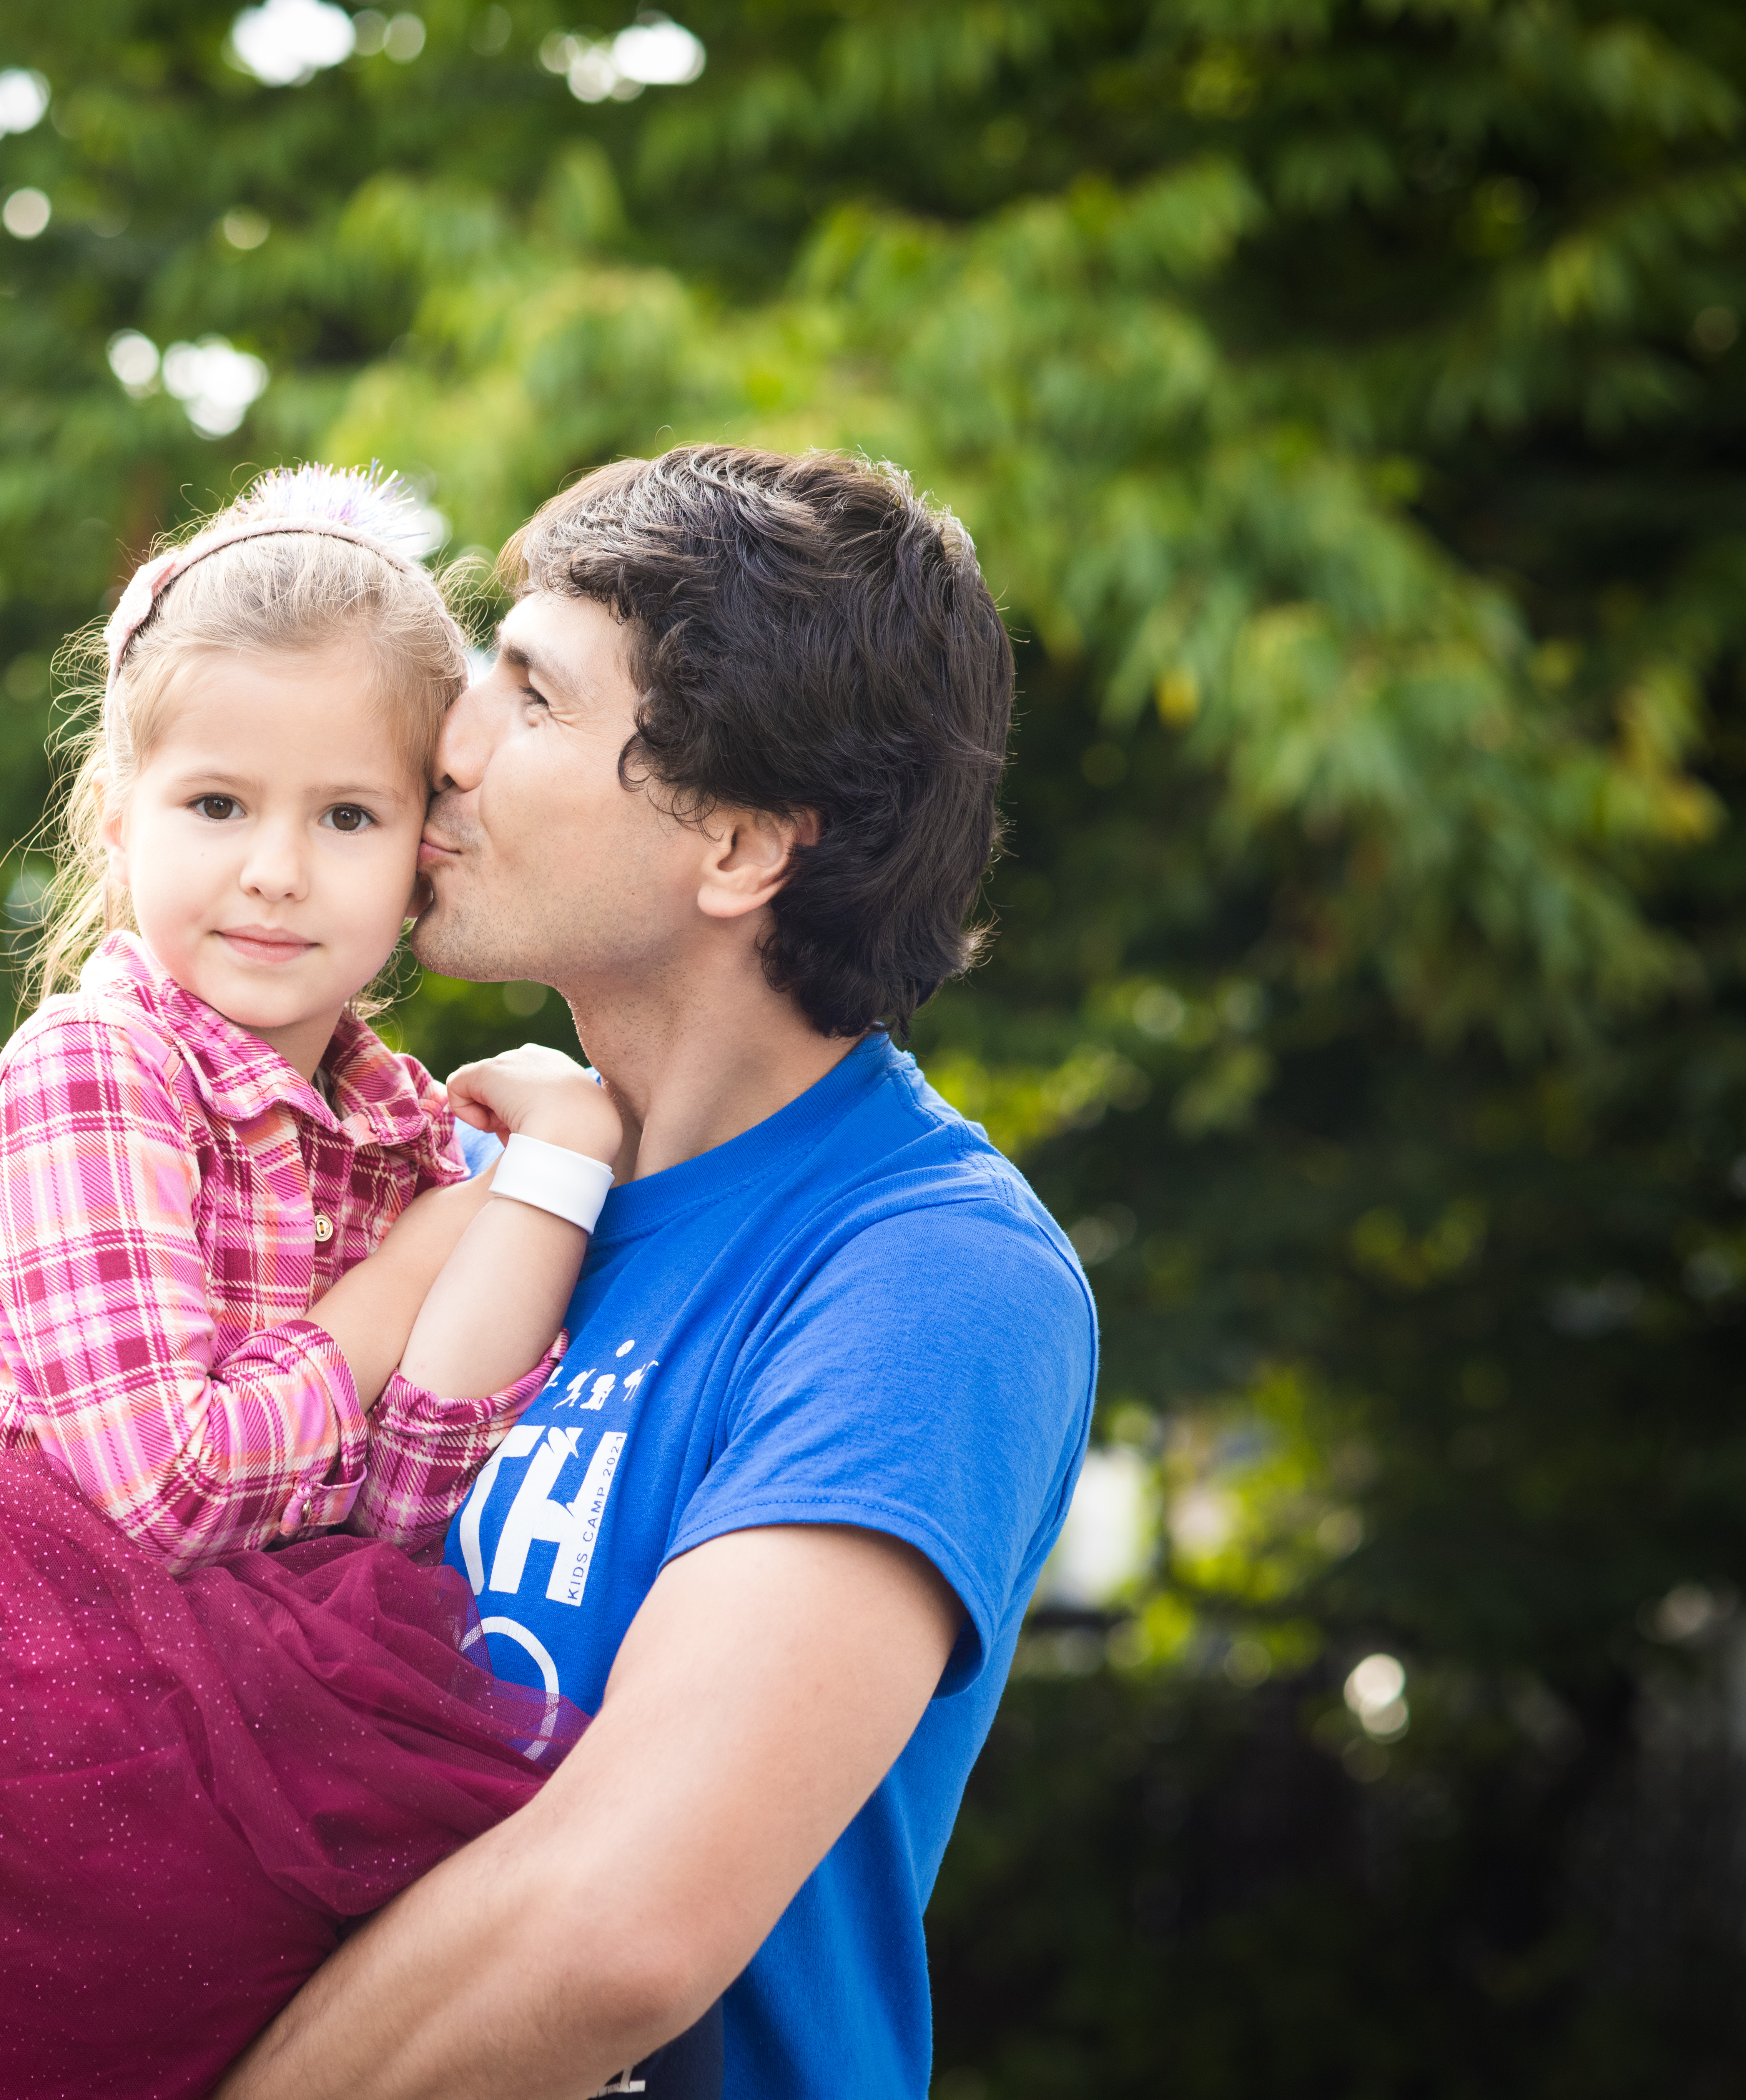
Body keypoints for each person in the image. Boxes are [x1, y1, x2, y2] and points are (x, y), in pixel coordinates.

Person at [0, 465, 631, 2099]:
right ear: (115, 812)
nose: (274, 870)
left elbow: (411, 1493)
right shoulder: (94, 1067)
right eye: (217, 805)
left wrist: (549, 1161)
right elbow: (159, 1495)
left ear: (424, 850)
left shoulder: (393, 1120)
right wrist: (429, 1248)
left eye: (342, 817)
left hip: (196, 1662)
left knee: (504, 1881)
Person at [218, 445, 1099, 2100]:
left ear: (740, 846)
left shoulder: (928, 1276)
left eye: (534, 700)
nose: (446, 745)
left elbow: (614, 1920)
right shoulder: (452, 1179)